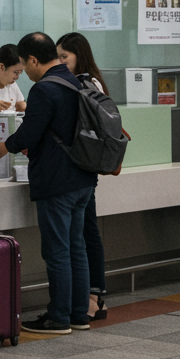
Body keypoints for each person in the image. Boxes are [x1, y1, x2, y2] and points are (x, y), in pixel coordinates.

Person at [0, 32, 93, 335]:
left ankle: (59, 317)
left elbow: (30, 133)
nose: (25, 73)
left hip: (57, 181)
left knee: (57, 250)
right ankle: (78, 314)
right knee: (76, 247)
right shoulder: (75, 81)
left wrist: (6, 145)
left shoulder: (45, 89)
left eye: (24, 65)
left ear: (33, 60)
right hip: (83, 177)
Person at [57, 31, 108, 322]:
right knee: (86, 231)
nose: (61, 62)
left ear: (79, 56)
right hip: (86, 166)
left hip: (82, 166)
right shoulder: (92, 81)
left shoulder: (86, 84)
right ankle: (92, 296)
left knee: (86, 232)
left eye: (65, 57)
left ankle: (93, 296)